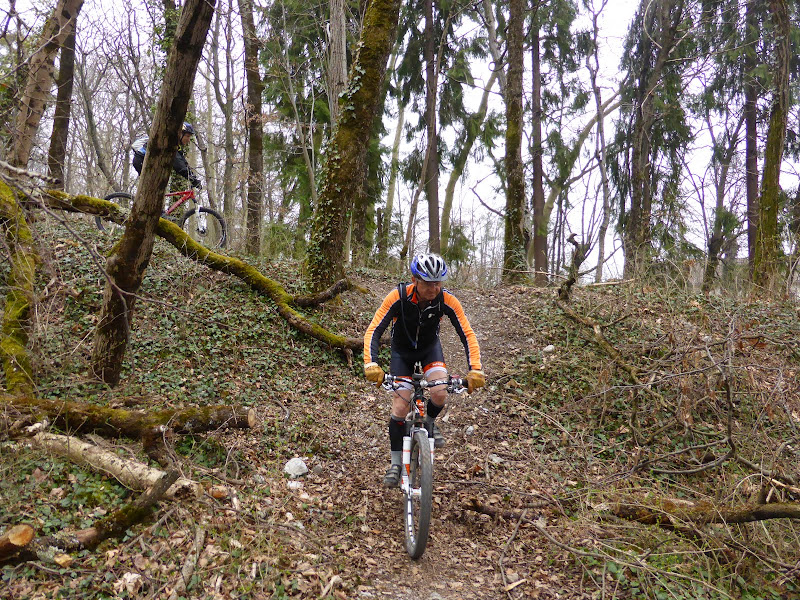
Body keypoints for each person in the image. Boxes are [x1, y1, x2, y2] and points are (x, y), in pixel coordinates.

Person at [363, 253, 485, 487]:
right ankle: (396, 463)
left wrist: (475, 369)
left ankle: (429, 421)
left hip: (430, 350)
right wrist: (371, 363)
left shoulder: (447, 300)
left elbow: (467, 333)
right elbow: (374, 330)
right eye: (428, 283)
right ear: (414, 280)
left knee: (440, 392)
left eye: (438, 283)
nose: (434, 288)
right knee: (400, 405)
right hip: (401, 353)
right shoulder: (398, 296)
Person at [131, 122, 202, 189]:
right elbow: (179, 165)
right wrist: (193, 180)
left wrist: (193, 178)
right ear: (180, 134)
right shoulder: (169, 144)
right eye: (187, 136)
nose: (188, 140)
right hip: (141, 162)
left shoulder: (174, 145)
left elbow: (183, 163)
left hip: (149, 163)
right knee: (153, 190)